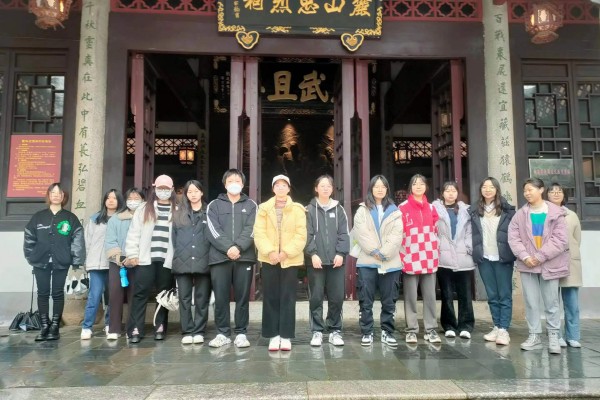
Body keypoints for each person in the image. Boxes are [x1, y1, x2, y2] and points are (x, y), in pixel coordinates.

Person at [508, 178, 569, 355]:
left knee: (551, 302)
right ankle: (534, 335)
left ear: (541, 190)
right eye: (525, 190)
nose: (527, 193)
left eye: (531, 189)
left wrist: (540, 256)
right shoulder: (520, 214)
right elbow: (513, 238)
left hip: (550, 264)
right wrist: (525, 256)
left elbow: (560, 240)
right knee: (531, 302)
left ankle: (553, 336)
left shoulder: (556, 213)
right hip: (527, 264)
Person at [23, 183, 85, 341]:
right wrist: (31, 256)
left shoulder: (70, 218)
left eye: (59, 193)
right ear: (48, 196)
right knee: (42, 293)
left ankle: (55, 326)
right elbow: (29, 236)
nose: (56, 195)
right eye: (53, 192)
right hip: (40, 261)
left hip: (61, 261)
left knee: (57, 293)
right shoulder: (38, 217)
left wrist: (76, 260)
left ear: (63, 196)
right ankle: (44, 325)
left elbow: (77, 239)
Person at [254, 174, 307, 352]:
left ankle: (285, 336)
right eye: (277, 185)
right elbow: (259, 233)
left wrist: (286, 252)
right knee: (270, 296)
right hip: (269, 258)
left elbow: (301, 235)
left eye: (284, 185)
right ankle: (272, 335)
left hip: (289, 259)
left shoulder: (298, 209)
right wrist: (270, 251)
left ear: (289, 188)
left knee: (288, 297)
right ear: (273, 188)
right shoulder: (263, 208)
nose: (281, 187)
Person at [206, 169, 257, 348]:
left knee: (242, 297)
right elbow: (212, 230)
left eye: (237, 180)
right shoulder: (214, 205)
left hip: (244, 257)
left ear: (243, 184)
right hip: (220, 258)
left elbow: (252, 228)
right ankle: (222, 333)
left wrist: (238, 247)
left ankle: (241, 333)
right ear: (225, 184)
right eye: (230, 180)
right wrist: (228, 248)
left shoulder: (251, 205)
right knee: (221, 297)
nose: (234, 183)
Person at [353, 175, 403, 347]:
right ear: (371, 189)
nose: (380, 189)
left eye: (383, 186)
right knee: (365, 300)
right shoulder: (362, 210)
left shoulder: (395, 211)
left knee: (389, 300)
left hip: (390, 262)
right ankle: (367, 332)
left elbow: (397, 235)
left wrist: (385, 253)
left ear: (387, 189)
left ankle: (387, 332)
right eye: (376, 186)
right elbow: (360, 232)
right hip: (367, 261)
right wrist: (374, 251)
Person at [125, 174, 176, 343]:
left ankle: (160, 326)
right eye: (160, 188)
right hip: (146, 258)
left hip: (167, 259)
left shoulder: (177, 209)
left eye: (166, 189)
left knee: (163, 294)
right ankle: (136, 328)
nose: (163, 191)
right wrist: (132, 254)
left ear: (172, 189)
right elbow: (134, 233)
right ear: (155, 189)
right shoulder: (144, 208)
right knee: (140, 293)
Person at [468, 177, 516, 346]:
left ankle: (504, 329)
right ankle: (496, 326)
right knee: (492, 295)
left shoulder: (508, 210)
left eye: (491, 187)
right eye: (484, 187)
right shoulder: (475, 210)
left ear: (497, 189)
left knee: (504, 294)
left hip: (502, 257)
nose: (487, 190)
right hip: (484, 257)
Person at [305, 175, 350, 347]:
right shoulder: (309, 209)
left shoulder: (339, 209)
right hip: (315, 261)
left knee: (336, 297)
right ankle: (317, 331)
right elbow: (306, 234)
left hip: (336, 261)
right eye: (322, 185)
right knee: (316, 297)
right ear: (316, 188)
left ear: (332, 189)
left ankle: (334, 330)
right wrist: (312, 254)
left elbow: (344, 233)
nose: (325, 188)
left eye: (328, 186)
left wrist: (341, 253)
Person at [399, 174, 441, 344]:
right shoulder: (402, 208)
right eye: (415, 184)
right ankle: (411, 329)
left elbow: (436, 231)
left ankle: (431, 329)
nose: (418, 186)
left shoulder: (431, 208)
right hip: (410, 256)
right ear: (410, 187)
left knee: (430, 295)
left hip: (429, 256)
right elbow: (399, 233)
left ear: (426, 187)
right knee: (410, 296)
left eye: (422, 184)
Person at [432, 181, 475, 339]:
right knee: (447, 294)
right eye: (447, 191)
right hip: (443, 256)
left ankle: (466, 325)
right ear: (442, 193)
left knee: (465, 293)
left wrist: (468, 247)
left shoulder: (466, 210)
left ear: (458, 193)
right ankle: (449, 325)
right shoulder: (435, 209)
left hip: (463, 255)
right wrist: (437, 246)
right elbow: (433, 230)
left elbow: (470, 231)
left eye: (453, 191)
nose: (450, 194)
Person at [170, 180, 211, 345]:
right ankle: (187, 330)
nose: (193, 194)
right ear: (186, 195)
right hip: (183, 260)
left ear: (201, 192)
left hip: (204, 259)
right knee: (184, 298)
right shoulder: (178, 213)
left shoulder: (210, 211)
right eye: (189, 192)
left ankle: (199, 330)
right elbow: (174, 238)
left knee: (202, 298)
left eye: (196, 191)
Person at [81, 189, 124, 340]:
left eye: (114, 198)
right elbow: (87, 241)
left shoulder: (122, 219)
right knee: (94, 295)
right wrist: (86, 261)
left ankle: (109, 324)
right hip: (96, 263)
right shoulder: (95, 219)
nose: (111, 200)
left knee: (113, 296)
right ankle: (87, 327)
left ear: (119, 201)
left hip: (113, 263)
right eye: (108, 198)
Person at [105, 187, 145, 340]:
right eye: (130, 199)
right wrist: (121, 259)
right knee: (115, 295)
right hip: (118, 263)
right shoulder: (116, 219)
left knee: (135, 295)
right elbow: (110, 241)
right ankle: (114, 328)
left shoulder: (147, 218)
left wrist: (136, 258)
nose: (133, 201)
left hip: (139, 262)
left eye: (137, 198)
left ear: (143, 200)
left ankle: (132, 328)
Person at [547, 182, 582, 348]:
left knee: (572, 303)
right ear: (546, 195)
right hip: (551, 261)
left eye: (559, 191)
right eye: (552, 191)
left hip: (570, 262)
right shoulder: (543, 213)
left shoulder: (572, 215)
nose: (556, 193)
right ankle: (556, 335)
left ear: (564, 195)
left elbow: (577, 239)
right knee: (552, 303)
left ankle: (573, 336)